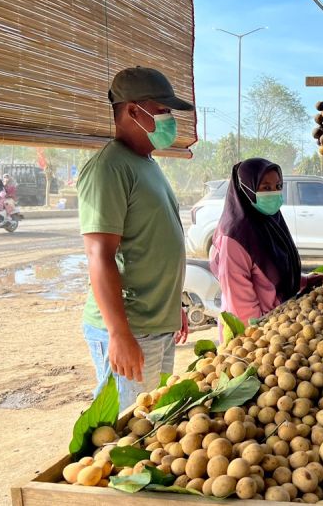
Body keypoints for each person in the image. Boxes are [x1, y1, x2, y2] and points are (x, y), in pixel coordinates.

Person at [78, 66, 193, 409]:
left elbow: (152, 242)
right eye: (163, 110)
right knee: (128, 424)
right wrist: (119, 333)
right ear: (132, 111)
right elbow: (99, 255)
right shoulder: (109, 168)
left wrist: (174, 306)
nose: (170, 119)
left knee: (152, 417)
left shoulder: (147, 163)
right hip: (132, 328)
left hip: (155, 325)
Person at [209, 158, 323, 336]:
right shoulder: (234, 237)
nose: (274, 193)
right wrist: (264, 336)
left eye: (278, 186)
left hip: (280, 323)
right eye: (266, 188)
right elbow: (240, 304)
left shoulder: (271, 221)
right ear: (246, 189)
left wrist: (302, 280)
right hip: (253, 332)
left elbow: (271, 271)